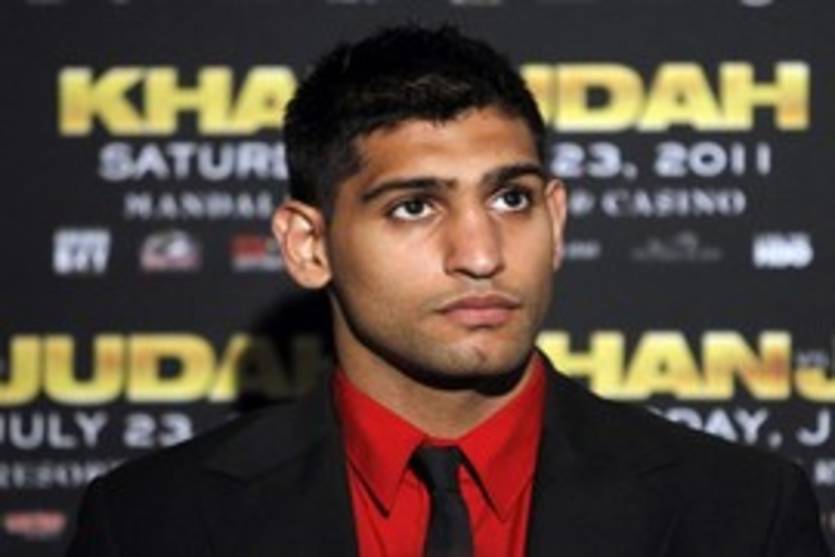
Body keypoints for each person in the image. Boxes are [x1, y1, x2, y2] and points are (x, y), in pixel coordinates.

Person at [67, 25, 829, 557]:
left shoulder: (741, 513)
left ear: (556, 219)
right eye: (413, 207)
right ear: (308, 245)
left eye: (510, 198)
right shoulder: (149, 523)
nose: (481, 254)